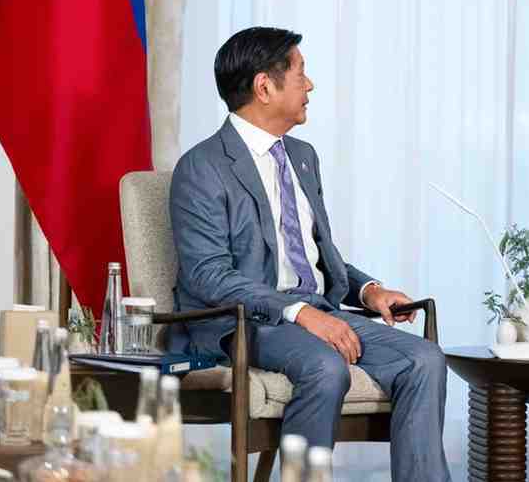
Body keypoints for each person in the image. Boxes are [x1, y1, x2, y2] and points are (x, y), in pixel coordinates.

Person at [170, 27, 450, 480]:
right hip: (242, 322)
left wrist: (369, 291)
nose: (311, 84)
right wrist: (299, 313)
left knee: (425, 359)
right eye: (300, 73)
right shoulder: (202, 167)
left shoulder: (302, 156)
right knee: (324, 365)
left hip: (315, 313)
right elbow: (208, 275)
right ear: (264, 87)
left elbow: (316, 254)